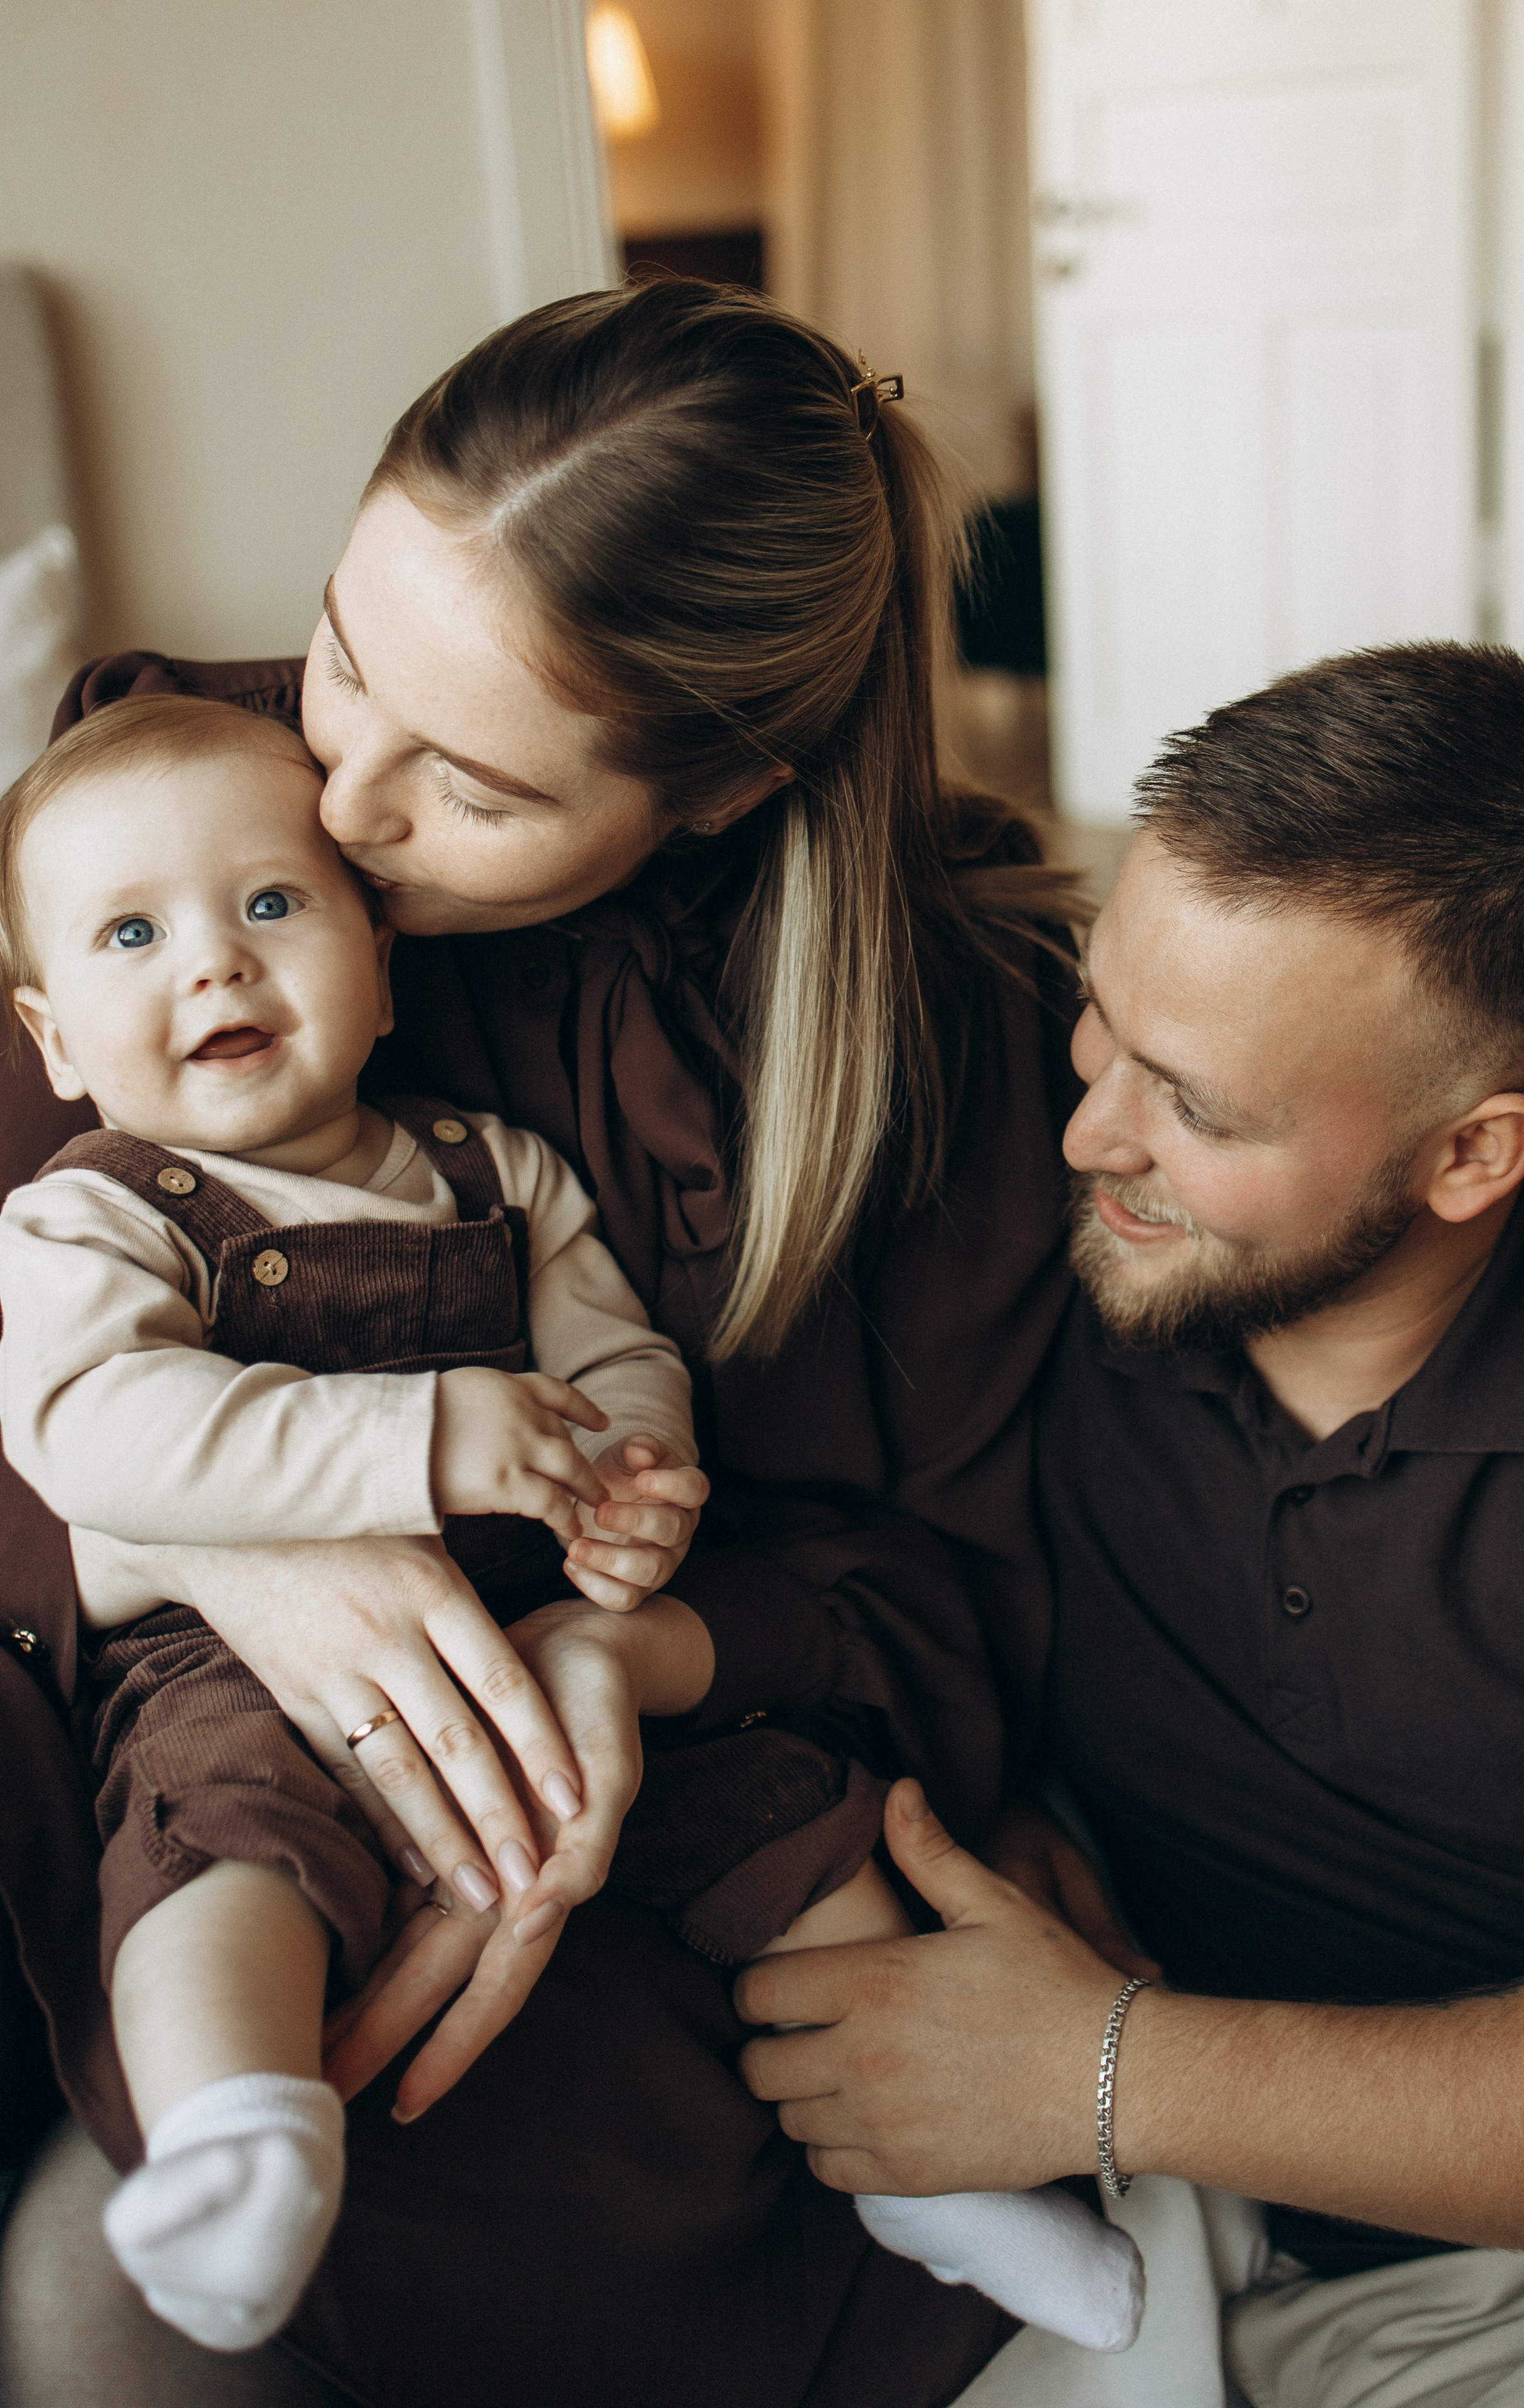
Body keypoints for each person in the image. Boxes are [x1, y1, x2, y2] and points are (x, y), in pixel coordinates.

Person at [0, 277, 1080, 2408]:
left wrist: (627, 1654)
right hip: (186, 1731)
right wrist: (231, 1549)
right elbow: (55, 1345)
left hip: (659, 1770)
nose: (341, 815)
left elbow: (946, 1612)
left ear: (721, 787)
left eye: (475, 788)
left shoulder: (944, 1063)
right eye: (345, 652)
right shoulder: (177, 808)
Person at [739, 642, 1524, 2408]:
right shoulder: (1068, 1240)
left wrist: (1113, 2072)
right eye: (1101, 1020)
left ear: (1472, 1155)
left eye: (1194, 1106)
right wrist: (1015, 1806)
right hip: (1125, 2217)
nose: (1089, 1133)